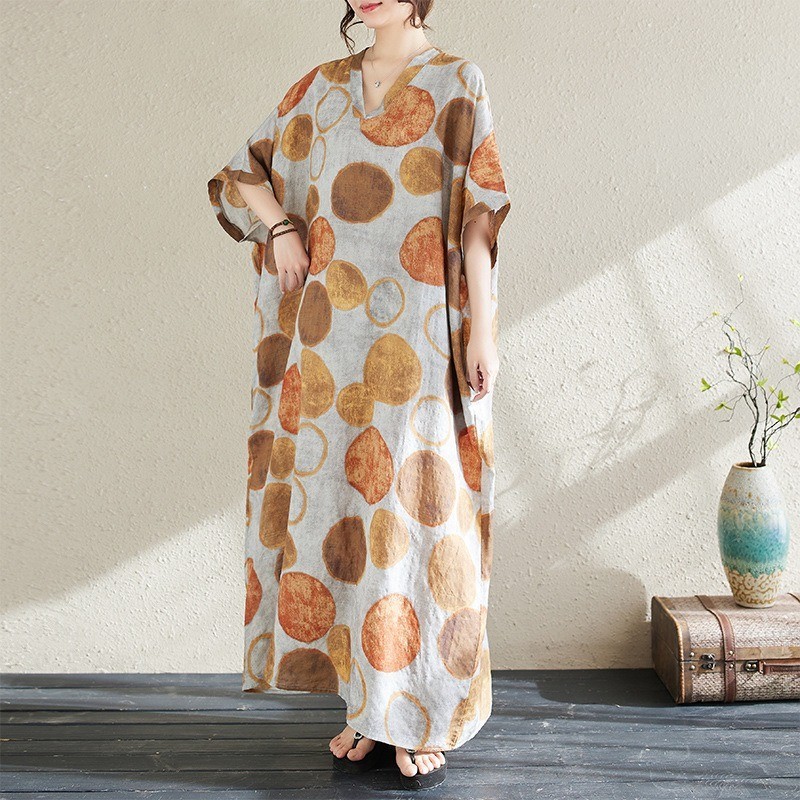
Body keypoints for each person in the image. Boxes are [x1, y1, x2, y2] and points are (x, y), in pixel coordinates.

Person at [206, 0, 511, 790]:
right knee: (346, 519)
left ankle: (418, 711)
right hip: (329, 344)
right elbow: (244, 173)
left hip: (421, 336)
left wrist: (483, 329)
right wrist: (281, 229)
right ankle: (369, 709)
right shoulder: (321, 87)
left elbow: (478, 219)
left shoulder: (458, 83)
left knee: (414, 520)